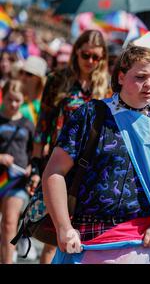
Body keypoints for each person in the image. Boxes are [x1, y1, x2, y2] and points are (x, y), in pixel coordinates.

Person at [42, 46, 150, 264]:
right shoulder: (91, 114)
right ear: (120, 76)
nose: (149, 84)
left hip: (142, 243)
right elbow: (54, 172)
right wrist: (64, 228)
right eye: (140, 77)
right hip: (87, 238)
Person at [32, 30, 109, 264]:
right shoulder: (58, 79)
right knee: (54, 234)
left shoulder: (106, 86)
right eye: (86, 55)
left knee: (81, 238)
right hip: (60, 164)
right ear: (76, 51)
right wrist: (36, 167)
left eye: (96, 57)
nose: (90, 62)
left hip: (89, 170)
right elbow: (43, 125)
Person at [0, 80, 35, 263]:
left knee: (9, 223)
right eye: (9, 99)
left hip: (17, 181)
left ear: (23, 100)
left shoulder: (28, 124)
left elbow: (33, 152)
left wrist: (32, 167)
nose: (13, 104)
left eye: (17, 100)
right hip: (1, 178)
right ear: (3, 97)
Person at [17, 56, 47, 125]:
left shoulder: (43, 107)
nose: (23, 77)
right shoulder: (12, 99)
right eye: (21, 72)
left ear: (39, 80)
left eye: (29, 74)